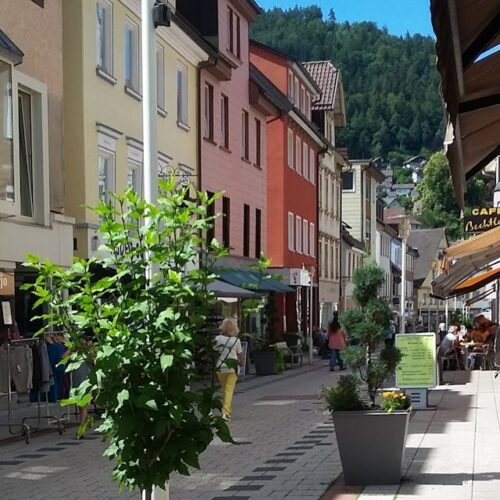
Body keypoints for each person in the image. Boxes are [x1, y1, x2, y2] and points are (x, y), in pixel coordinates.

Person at [214, 318, 244, 421]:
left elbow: (214, 354)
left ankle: (228, 411)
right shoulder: (236, 340)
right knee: (229, 390)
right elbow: (240, 355)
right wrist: (241, 363)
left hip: (220, 367)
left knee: (224, 389)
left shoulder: (217, 339)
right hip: (232, 368)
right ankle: (226, 413)